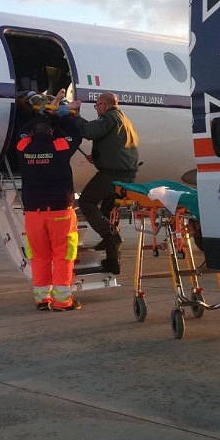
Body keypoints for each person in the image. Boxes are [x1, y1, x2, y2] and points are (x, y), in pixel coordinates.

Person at [16, 108, 83, 311]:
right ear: (52, 133)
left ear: (33, 134)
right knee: (63, 255)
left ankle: (42, 299)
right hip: (60, 212)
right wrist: (61, 116)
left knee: (39, 256)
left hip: (33, 214)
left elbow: (21, 132)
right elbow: (76, 135)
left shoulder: (23, 147)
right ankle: (63, 301)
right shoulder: (60, 147)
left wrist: (41, 113)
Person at [67, 92, 139, 275]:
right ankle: (112, 261)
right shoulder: (125, 121)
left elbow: (89, 131)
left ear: (104, 106)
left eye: (97, 105)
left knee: (86, 201)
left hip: (112, 175)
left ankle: (109, 236)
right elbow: (117, 146)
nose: (97, 109)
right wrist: (99, 157)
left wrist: (75, 116)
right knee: (108, 214)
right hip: (128, 175)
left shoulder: (109, 117)